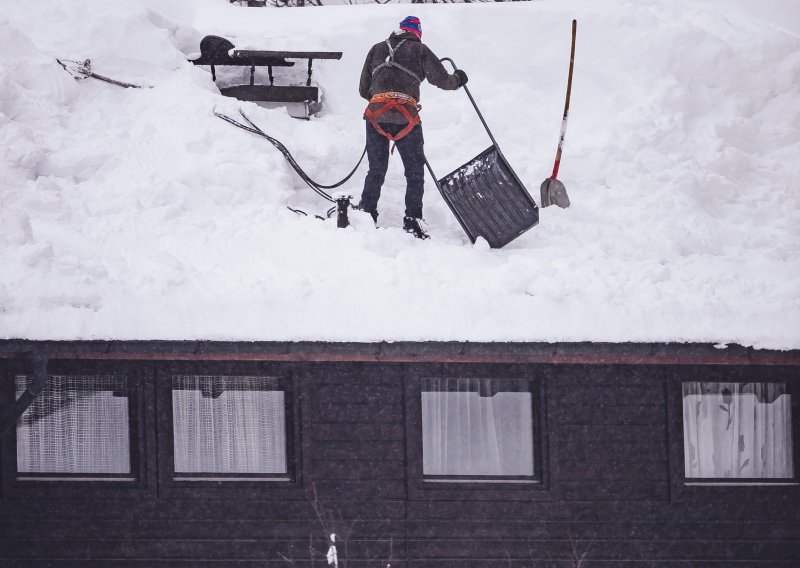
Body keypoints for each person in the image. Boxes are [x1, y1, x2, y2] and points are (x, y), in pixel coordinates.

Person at [357, 16, 468, 239]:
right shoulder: (419, 49)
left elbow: (363, 89)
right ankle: (412, 220)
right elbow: (442, 80)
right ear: (416, 33)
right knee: (415, 173)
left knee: (376, 170)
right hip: (406, 118)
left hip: (376, 116)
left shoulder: (377, 48)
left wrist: (383, 96)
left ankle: (366, 215)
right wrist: (458, 79)